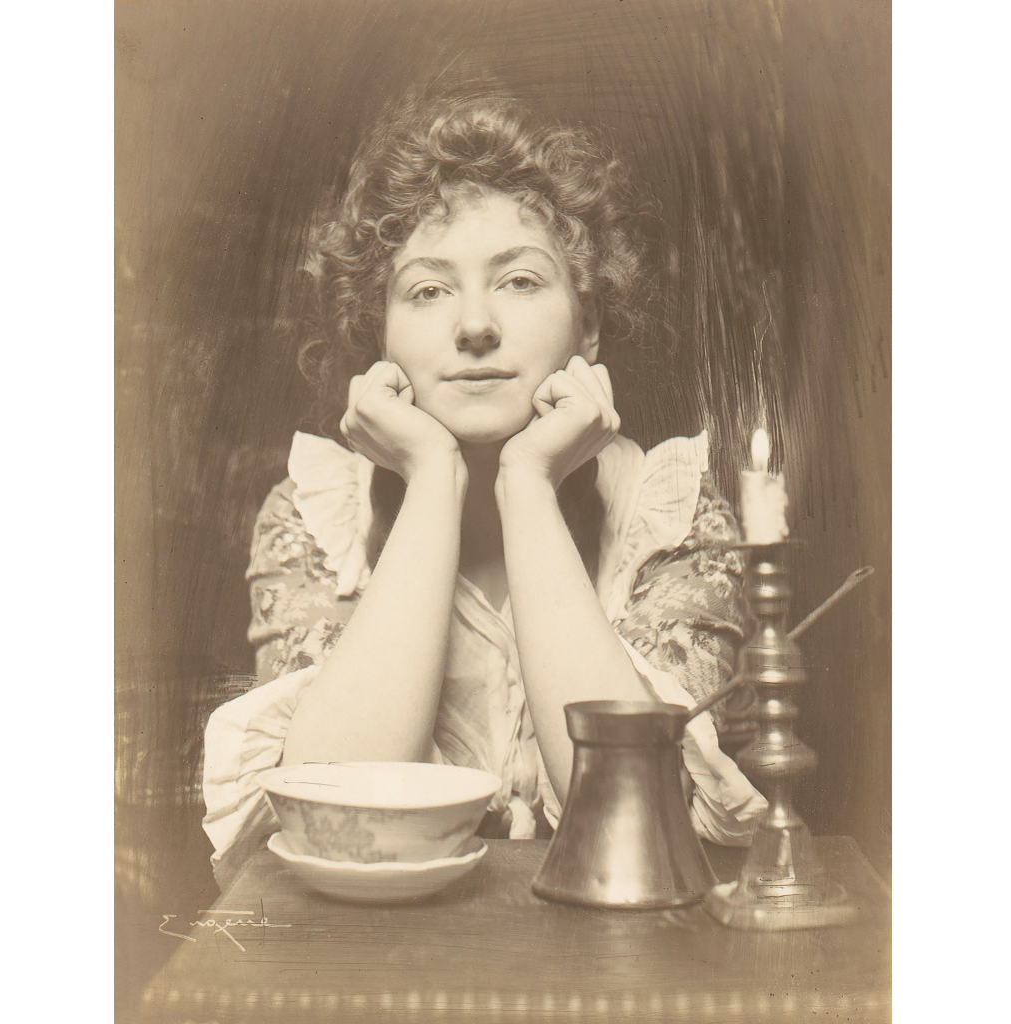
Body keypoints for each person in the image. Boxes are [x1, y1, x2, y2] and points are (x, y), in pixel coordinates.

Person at [202, 91, 766, 885]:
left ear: (588, 324)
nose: (475, 326)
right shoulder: (315, 517)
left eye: (520, 281)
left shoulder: (670, 515)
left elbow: (635, 823)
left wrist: (528, 484)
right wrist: (431, 478)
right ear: (378, 333)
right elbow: (338, 825)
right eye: (428, 291)